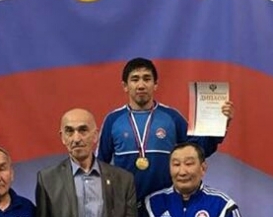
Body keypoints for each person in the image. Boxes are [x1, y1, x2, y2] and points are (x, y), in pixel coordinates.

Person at [97, 57, 235, 203]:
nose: (141, 85)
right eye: (135, 79)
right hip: (125, 204)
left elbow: (199, 150)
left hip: (165, 205)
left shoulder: (172, 117)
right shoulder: (113, 120)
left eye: (147, 79)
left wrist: (220, 124)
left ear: (155, 84)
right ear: (125, 86)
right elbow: (100, 164)